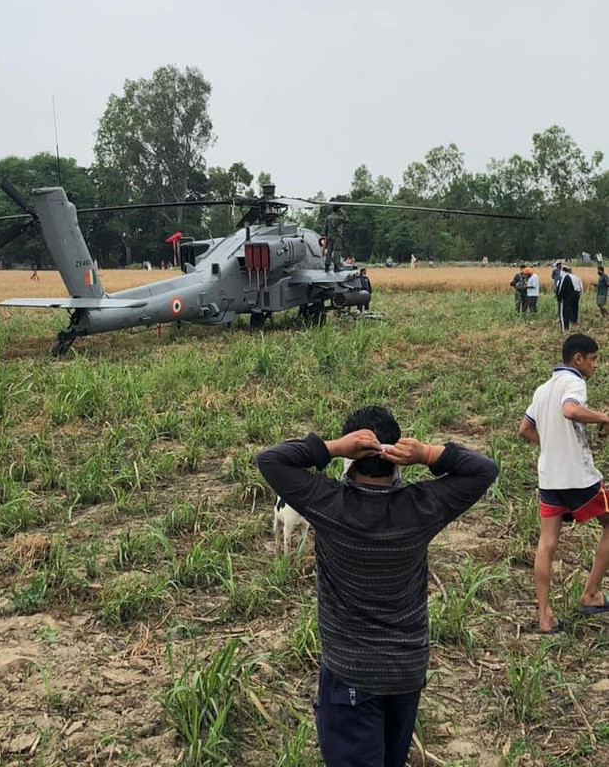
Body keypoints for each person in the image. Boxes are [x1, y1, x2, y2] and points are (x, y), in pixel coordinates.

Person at [256, 407, 498, 767]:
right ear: (396, 456)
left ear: (352, 459)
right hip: (406, 671)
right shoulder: (420, 507)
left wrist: (334, 447)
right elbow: (484, 469)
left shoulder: (328, 503)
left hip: (350, 673)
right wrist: (428, 454)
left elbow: (271, 459)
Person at [518, 334, 609, 633]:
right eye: (593, 359)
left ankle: (545, 617)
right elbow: (570, 410)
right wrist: (604, 417)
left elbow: (525, 429)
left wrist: (553, 444)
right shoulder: (575, 382)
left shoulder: (543, 389)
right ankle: (591, 594)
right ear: (578, 359)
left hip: (550, 478)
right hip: (577, 477)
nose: (596, 365)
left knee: (547, 544)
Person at [324, 206, 346, 272]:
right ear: (338, 210)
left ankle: (327, 266)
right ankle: (336, 267)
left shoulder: (328, 217)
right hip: (337, 237)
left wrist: (326, 235)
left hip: (329, 236)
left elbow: (325, 227)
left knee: (329, 251)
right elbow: (347, 220)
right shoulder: (339, 218)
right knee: (337, 251)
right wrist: (343, 213)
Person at [556, 266, 575, 331]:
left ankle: (564, 329)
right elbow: (572, 288)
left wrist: (559, 298)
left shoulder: (564, 278)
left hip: (563, 300)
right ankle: (567, 328)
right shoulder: (569, 277)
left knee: (562, 314)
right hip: (568, 299)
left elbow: (561, 289)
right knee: (566, 313)